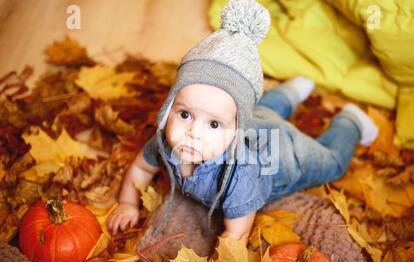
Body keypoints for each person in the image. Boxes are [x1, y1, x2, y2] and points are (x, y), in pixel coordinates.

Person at [106, 0, 378, 243]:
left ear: (237, 130)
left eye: (213, 125)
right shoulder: (165, 140)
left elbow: (237, 232)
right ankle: (291, 91)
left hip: (282, 154)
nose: (192, 133)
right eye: (185, 114)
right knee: (264, 111)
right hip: (257, 119)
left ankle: (349, 121)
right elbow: (141, 169)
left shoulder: (240, 173)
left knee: (332, 163)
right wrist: (127, 203)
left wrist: (224, 257)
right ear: (169, 108)